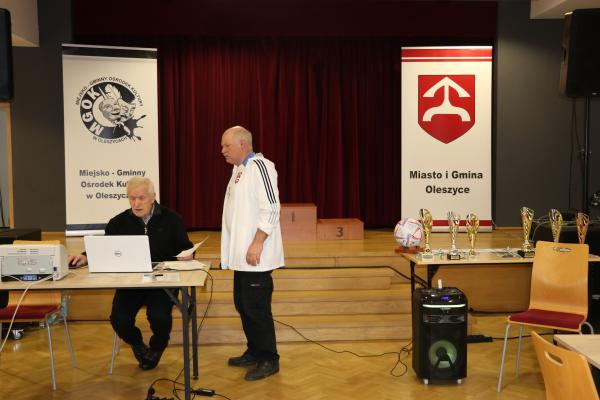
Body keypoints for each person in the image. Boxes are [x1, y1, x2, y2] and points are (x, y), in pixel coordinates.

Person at [69, 177, 193, 370]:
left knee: (159, 317)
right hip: (130, 281)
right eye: (132, 198)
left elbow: (186, 248)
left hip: (161, 282)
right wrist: (86, 256)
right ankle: (138, 345)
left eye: (141, 198)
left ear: (153, 197)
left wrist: (188, 255)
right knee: (119, 319)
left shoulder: (172, 219)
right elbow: (105, 248)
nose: (136, 203)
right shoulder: (118, 222)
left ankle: (157, 347)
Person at [220, 125, 284, 381]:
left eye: (226, 146)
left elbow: (272, 208)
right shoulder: (238, 170)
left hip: (256, 257)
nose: (223, 150)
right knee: (243, 305)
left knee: (256, 309)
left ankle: (269, 359)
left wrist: (257, 243)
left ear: (242, 145)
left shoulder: (261, 167)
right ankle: (255, 351)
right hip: (241, 259)